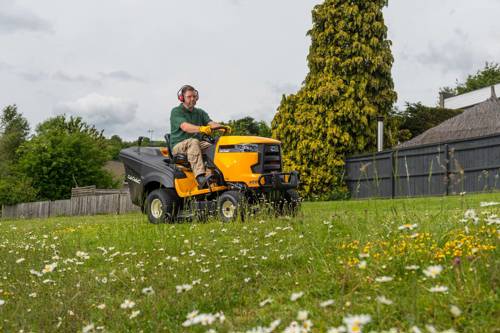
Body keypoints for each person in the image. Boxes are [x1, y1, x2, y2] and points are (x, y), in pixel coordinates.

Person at [169, 84, 230, 189]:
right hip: (178, 146)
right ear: (182, 98)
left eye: (194, 96)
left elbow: (210, 122)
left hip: (196, 144)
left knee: (215, 147)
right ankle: (200, 177)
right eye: (189, 97)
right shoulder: (176, 111)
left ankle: (217, 175)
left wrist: (222, 127)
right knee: (193, 142)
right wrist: (201, 128)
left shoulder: (200, 112)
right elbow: (185, 127)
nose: (192, 99)